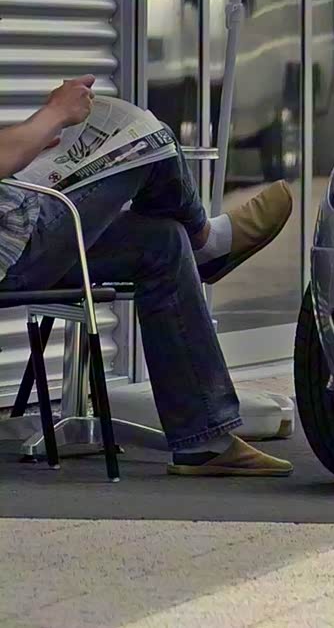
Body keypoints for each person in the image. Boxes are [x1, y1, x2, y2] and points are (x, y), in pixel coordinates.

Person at [0, 75, 295, 477]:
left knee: (163, 242)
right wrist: (55, 113)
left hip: (23, 227)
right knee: (147, 139)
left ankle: (204, 442)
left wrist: (38, 137)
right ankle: (207, 243)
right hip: (17, 250)